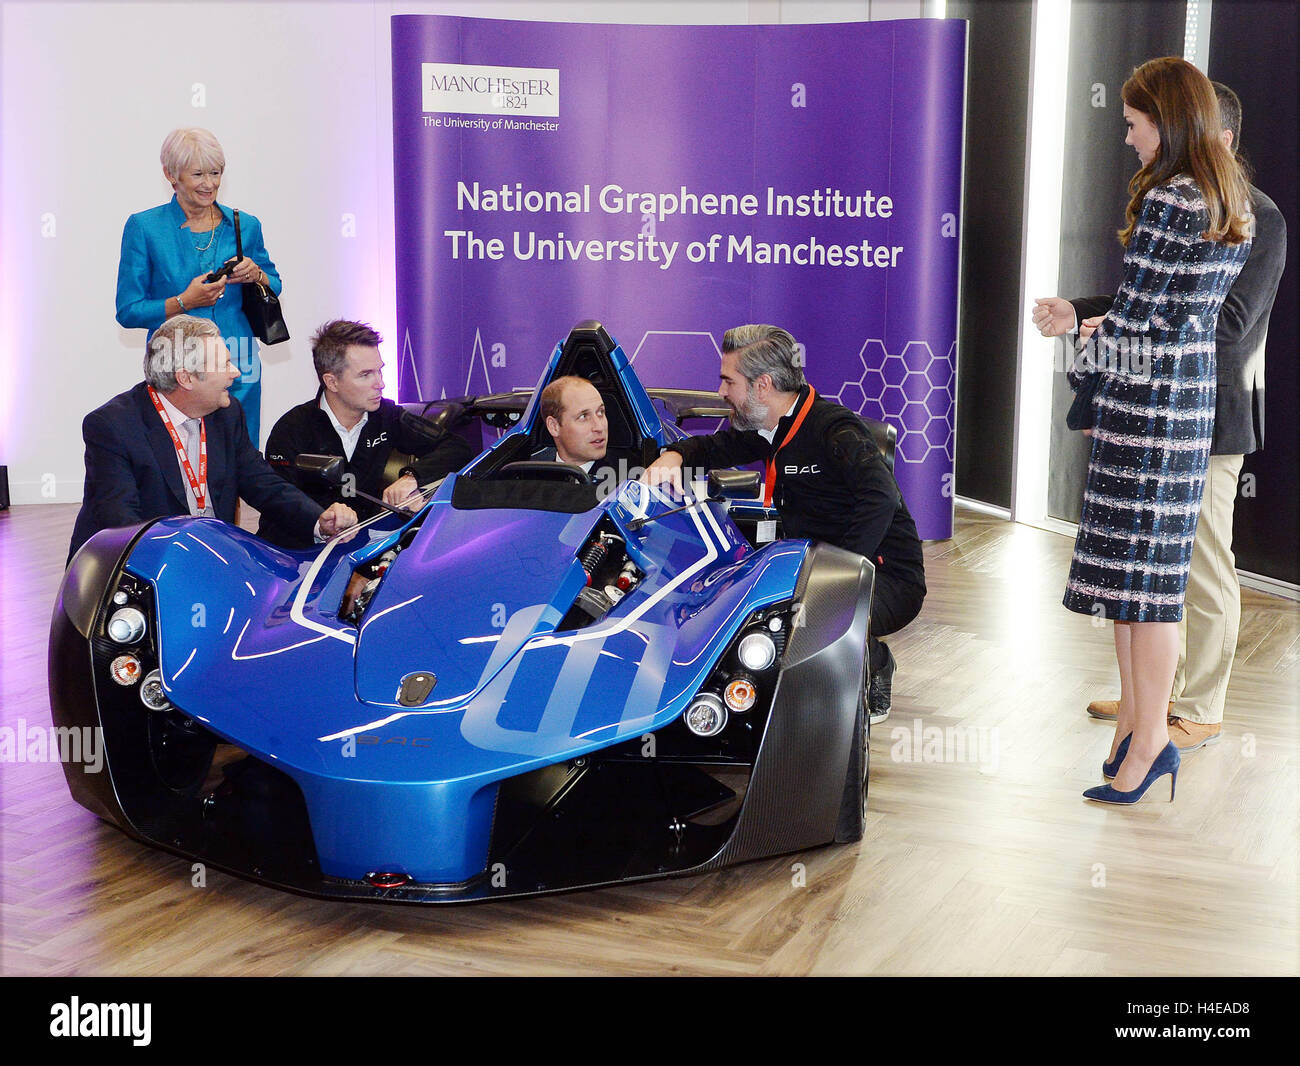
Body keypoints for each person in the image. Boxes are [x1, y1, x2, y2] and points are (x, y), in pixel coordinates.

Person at [1033, 82, 1287, 757]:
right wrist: (1087, 313)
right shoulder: (1192, 202)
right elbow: (1157, 301)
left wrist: (1098, 346)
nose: (1128, 137)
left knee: (1197, 568)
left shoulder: (1252, 214)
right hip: (1159, 401)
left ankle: (1198, 706)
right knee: (1149, 575)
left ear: (1216, 135)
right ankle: (1151, 701)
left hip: (1203, 417)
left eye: (1136, 122)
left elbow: (1219, 323)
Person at [644, 324, 926, 723]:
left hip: (886, 578)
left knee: (799, 621)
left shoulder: (834, 429)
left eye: (728, 381)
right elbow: (716, 446)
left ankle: (874, 659)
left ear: (762, 386)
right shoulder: (771, 427)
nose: (722, 391)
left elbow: (882, 498)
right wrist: (674, 455)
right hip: (812, 566)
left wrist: (841, 573)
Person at [68, 316, 356, 563]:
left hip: (211, 560)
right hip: (137, 567)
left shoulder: (227, 414)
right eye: (225, 364)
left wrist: (318, 520)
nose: (236, 373)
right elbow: (121, 523)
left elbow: (262, 483)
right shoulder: (112, 426)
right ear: (186, 379)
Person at [116, 128, 282, 447]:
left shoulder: (245, 225)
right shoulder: (144, 227)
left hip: (238, 361)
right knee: (180, 458)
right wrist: (184, 301)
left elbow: (274, 283)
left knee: (239, 456)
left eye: (216, 173)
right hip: (175, 364)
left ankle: (230, 502)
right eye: (198, 174)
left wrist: (256, 274)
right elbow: (128, 310)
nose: (209, 184)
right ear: (170, 174)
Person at [258, 320, 477, 548]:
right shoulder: (292, 429)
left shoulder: (386, 415)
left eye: (380, 370)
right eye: (366, 375)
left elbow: (456, 447)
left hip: (361, 550)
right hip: (296, 556)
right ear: (331, 382)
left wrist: (412, 477)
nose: (380, 383)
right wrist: (321, 520)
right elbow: (278, 505)